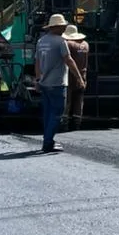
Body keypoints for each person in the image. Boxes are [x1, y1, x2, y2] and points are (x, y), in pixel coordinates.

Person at [35, 14, 86, 153]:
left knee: (48, 113)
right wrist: (79, 78)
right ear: (56, 27)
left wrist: (38, 80)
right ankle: (48, 143)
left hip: (44, 83)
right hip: (57, 83)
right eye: (62, 26)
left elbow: (37, 62)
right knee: (57, 113)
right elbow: (68, 60)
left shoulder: (41, 41)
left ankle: (48, 140)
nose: (64, 28)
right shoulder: (60, 41)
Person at [62, 24, 89, 132]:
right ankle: (77, 123)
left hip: (70, 74)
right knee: (79, 99)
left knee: (67, 99)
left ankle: (65, 123)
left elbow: (67, 59)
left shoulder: (68, 44)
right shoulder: (85, 44)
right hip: (83, 74)